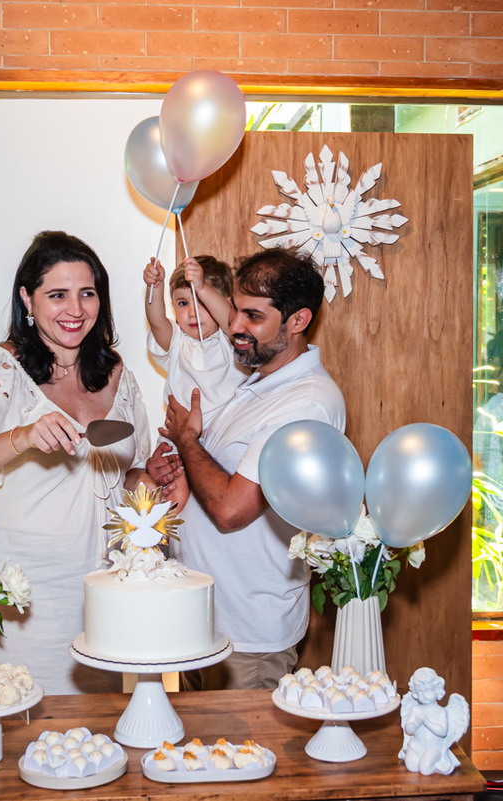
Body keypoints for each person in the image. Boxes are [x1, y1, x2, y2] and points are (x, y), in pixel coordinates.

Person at [0, 231, 152, 695]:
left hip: (104, 588)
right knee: (19, 725)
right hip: (23, 593)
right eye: (57, 295)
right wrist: (22, 436)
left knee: (95, 736)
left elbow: (132, 473)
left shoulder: (116, 372)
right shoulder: (0, 368)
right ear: (27, 298)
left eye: (87, 293)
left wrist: (155, 480)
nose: (75, 309)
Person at [149, 248, 346, 690]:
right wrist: (174, 462)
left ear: (297, 321)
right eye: (235, 310)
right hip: (204, 622)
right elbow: (210, 473)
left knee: (239, 759)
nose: (234, 326)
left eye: (253, 316)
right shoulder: (254, 382)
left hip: (249, 639)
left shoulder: (304, 403)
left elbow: (230, 508)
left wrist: (187, 440)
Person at [143, 255, 250, 471]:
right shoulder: (176, 341)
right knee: (170, 495)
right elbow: (156, 322)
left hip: (224, 442)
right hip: (176, 444)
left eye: (202, 302)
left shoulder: (230, 341)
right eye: (183, 303)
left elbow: (230, 320)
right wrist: (155, 286)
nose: (192, 313)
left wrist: (201, 287)